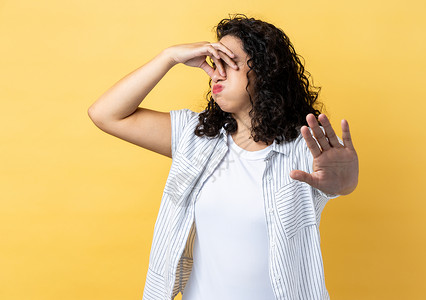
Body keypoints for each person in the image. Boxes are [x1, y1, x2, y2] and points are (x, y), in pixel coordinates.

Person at [88, 14, 359, 300]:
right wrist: (169, 57)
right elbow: (105, 114)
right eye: (214, 65)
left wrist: (344, 183)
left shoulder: (308, 145)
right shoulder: (194, 137)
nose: (215, 74)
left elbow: (340, 182)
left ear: (265, 71)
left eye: (229, 64)